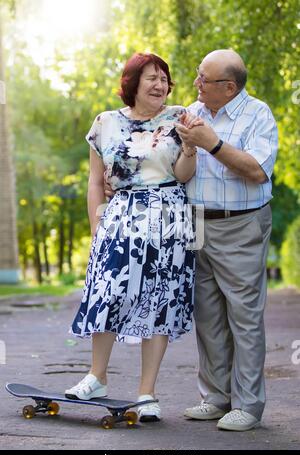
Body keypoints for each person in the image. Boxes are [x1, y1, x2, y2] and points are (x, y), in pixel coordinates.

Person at [65, 53, 196, 422]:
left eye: (164, 79)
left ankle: (146, 393)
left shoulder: (179, 117)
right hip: (120, 213)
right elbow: (95, 180)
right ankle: (97, 376)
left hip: (168, 215)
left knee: (160, 300)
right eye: (152, 78)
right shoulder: (105, 122)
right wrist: (96, 227)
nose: (160, 85)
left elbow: (184, 174)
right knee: (107, 290)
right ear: (132, 83)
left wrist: (189, 147)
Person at [175, 49, 278, 431]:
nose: (196, 84)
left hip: (241, 225)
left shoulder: (258, 115)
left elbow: (256, 171)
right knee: (208, 315)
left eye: (204, 78)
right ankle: (216, 397)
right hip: (197, 224)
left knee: (244, 316)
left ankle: (248, 405)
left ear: (229, 86)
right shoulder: (192, 111)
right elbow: (178, 171)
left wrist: (212, 144)